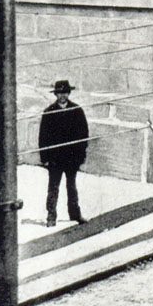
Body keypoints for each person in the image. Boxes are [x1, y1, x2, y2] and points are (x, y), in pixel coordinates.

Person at [39, 80, 89, 227]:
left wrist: (80, 155)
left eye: (65, 93)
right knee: (53, 187)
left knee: (71, 186)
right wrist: (45, 158)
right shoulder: (49, 112)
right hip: (55, 159)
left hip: (71, 158)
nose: (62, 96)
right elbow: (43, 137)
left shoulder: (77, 111)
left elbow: (83, 135)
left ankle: (75, 214)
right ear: (56, 94)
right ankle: (51, 216)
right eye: (60, 93)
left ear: (69, 93)